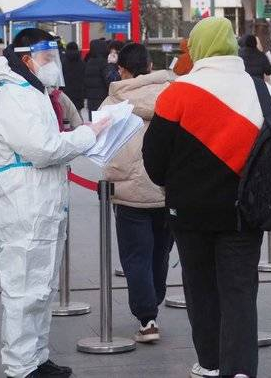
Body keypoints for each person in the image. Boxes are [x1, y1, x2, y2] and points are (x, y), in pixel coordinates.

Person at [143, 17, 271, 378]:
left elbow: (154, 161)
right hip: (246, 211)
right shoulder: (261, 90)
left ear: (198, 47)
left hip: (189, 212)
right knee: (240, 290)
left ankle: (210, 362)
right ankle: (239, 369)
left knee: (200, 287)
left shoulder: (177, 92)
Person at [0, 28, 110, 378]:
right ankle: (21, 366)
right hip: (23, 205)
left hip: (41, 204)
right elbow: (43, 149)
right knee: (23, 289)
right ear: (27, 59)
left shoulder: (32, 93)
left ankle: (36, 356)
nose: (52, 63)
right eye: (47, 57)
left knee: (40, 288)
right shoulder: (13, 96)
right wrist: (87, 135)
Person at [101, 43, 174, 344]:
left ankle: (147, 318)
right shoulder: (172, 96)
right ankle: (153, 300)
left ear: (122, 69)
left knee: (136, 256)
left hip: (129, 192)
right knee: (160, 252)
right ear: (150, 65)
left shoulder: (112, 102)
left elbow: (101, 145)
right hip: (167, 189)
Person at [84, 38, 110, 116]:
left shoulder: (89, 62)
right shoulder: (104, 63)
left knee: (94, 120)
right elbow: (109, 81)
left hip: (91, 99)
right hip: (103, 99)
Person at [60, 41, 86, 114]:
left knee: (67, 115)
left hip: (66, 92)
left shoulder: (63, 62)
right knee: (78, 113)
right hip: (79, 92)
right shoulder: (82, 62)